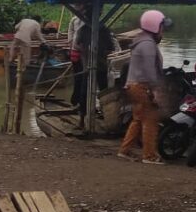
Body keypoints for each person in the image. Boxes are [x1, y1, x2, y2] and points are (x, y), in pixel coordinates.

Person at [118, 10, 168, 164]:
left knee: (138, 119)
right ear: (154, 27)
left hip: (134, 86)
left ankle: (125, 150)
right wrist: (155, 90)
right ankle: (150, 156)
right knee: (150, 120)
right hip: (142, 87)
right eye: (161, 27)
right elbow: (149, 70)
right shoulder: (147, 45)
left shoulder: (143, 41)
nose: (163, 30)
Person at [71, 20, 118, 123]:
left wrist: (99, 53)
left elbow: (111, 47)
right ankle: (82, 119)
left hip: (100, 66)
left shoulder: (103, 30)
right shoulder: (83, 30)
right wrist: (86, 51)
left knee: (104, 92)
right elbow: (77, 45)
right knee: (85, 93)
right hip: (88, 66)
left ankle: (106, 116)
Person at [13, 15, 44, 82]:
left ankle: (18, 70)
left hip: (18, 37)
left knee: (21, 54)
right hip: (26, 40)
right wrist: (44, 42)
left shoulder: (25, 21)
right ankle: (23, 71)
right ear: (39, 21)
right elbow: (39, 36)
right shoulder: (37, 24)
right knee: (26, 57)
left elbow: (16, 27)